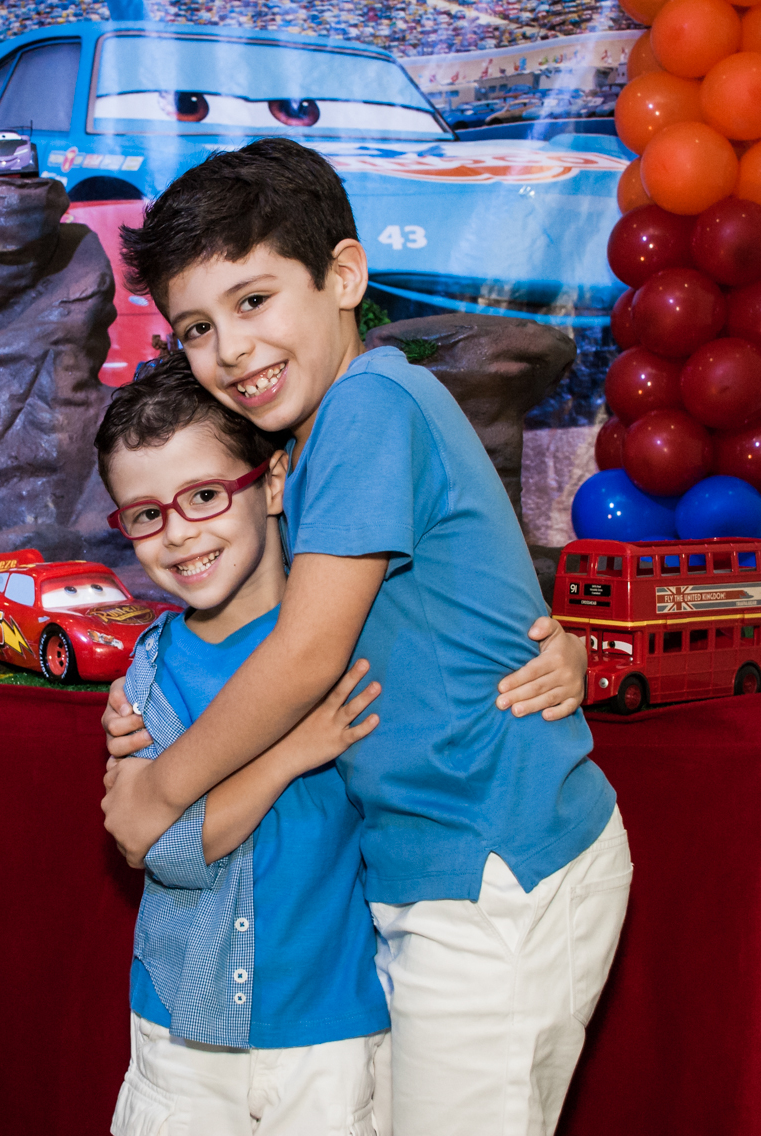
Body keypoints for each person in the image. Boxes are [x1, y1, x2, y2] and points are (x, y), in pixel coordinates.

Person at [102, 138, 631, 1136]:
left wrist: (158, 796)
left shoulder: (368, 406)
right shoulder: (315, 437)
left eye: (254, 301)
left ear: (343, 275)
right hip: (434, 870)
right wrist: (147, 699)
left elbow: (302, 655)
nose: (232, 349)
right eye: (198, 327)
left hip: (491, 864)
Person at [96, 353, 392, 1134]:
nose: (180, 534)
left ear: (268, 483)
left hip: (330, 1030)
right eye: (146, 513)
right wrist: (292, 752)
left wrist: (562, 652)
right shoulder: (150, 673)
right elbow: (162, 848)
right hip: (180, 1035)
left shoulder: (346, 627)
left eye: (202, 496)